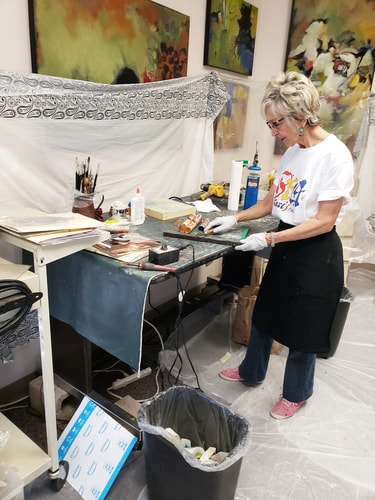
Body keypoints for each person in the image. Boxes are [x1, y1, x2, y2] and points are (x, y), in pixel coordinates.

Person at [206, 71, 354, 419]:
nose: (273, 133)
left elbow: (324, 221)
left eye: (277, 124)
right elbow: (271, 203)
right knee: (266, 312)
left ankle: (296, 393)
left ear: (301, 117)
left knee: (304, 326)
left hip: (316, 251)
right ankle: (251, 371)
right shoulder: (291, 154)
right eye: (269, 124)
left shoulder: (334, 156)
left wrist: (269, 238)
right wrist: (236, 219)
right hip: (288, 243)